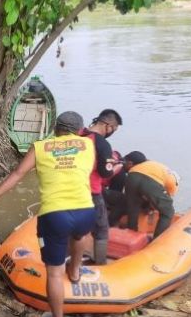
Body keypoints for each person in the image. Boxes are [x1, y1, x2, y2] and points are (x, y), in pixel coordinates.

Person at [0, 111, 96, 317]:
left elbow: (18, 174)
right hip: (85, 210)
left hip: (55, 214)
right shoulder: (88, 145)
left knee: (54, 274)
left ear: (55, 129)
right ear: (79, 131)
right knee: (80, 235)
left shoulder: (40, 147)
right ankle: (75, 271)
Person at [79, 109, 123, 265]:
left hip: (72, 187)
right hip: (91, 190)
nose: (112, 132)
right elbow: (105, 173)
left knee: (74, 227)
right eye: (114, 129)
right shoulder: (102, 143)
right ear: (108, 125)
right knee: (101, 229)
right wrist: (115, 168)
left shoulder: (79, 134)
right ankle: (100, 264)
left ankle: (69, 258)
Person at [123, 151, 178, 239]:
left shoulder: (153, 165)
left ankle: (131, 234)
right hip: (149, 180)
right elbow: (165, 201)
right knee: (168, 211)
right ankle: (157, 240)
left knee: (133, 208)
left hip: (132, 176)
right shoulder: (173, 182)